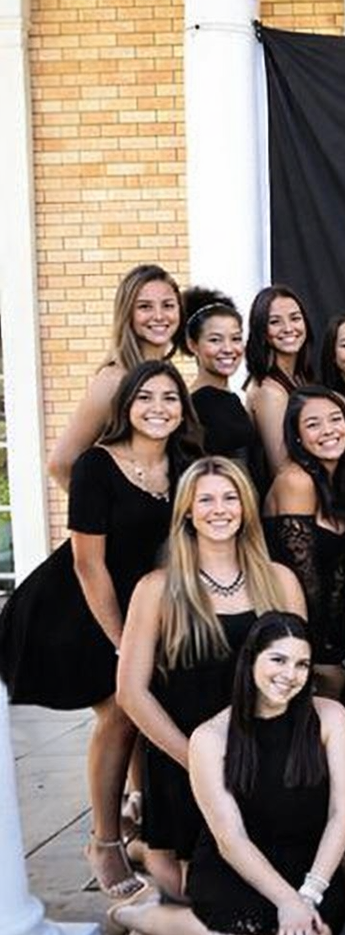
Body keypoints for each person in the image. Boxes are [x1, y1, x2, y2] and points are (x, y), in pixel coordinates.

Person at [0, 359, 198, 898]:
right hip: (79, 604)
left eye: (170, 398)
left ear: (183, 411)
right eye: (145, 398)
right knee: (120, 710)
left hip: (146, 603)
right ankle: (104, 842)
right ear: (126, 407)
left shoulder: (185, 465)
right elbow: (88, 565)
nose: (158, 408)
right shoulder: (97, 465)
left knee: (146, 714)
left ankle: (145, 824)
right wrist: (122, 645)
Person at [106, 613, 345, 935]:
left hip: (308, 862)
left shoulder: (331, 717)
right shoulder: (210, 737)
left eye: (302, 664)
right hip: (236, 863)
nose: (290, 674)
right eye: (278, 659)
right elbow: (230, 838)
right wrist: (287, 903)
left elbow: (341, 814)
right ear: (251, 659)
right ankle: (140, 917)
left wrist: (308, 894)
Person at [117, 457, 305, 897]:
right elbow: (131, 692)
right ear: (187, 510)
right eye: (205, 500)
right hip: (184, 755)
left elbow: (300, 677)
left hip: (262, 755)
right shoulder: (157, 588)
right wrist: (198, 761)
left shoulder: (280, 581)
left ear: (245, 508)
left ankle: (145, 852)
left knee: (265, 886)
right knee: (189, 892)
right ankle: (146, 849)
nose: (219, 509)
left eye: (230, 498)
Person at [264, 386, 345, 696]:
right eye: (313, 424)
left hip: (340, 644)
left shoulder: (342, 481)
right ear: (297, 437)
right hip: (306, 644)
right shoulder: (296, 481)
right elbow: (305, 582)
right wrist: (324, 657)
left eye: (335, 419)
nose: (328, 430)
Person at [48, 264, 182, 487]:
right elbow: (60, 464)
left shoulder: (168, 375)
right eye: (145, 307)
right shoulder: (113, 380)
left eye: (168, 305)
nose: (159, 316)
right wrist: (97, 505)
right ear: (127, 313)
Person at [245, 285, 314, 479]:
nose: (288, 328)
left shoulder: (301, 378)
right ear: (262, 330)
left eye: (295, 318)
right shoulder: (269, 391)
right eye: (275, 321)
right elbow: (282, 470)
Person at [182, 287, 256, 465]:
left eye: (236, 339)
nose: (228, 349)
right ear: (192, 345)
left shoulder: (229, 399)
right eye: (215, 340)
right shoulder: (201, 404)